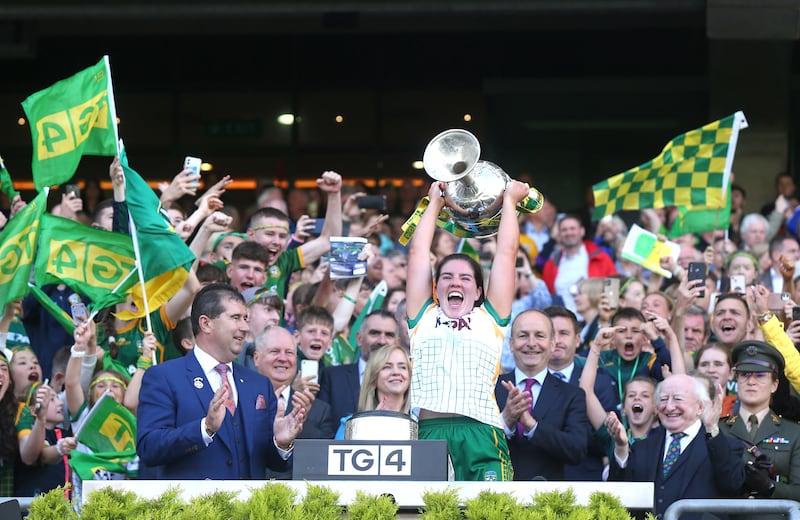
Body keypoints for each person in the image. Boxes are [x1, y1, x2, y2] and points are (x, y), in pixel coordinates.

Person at [406, 179, 530, 481]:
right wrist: (435, 202)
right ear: (437, 288)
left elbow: (506, 253)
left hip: (481, 430)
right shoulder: (422, 317)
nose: (455, 283)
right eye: (447, 277)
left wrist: (510, 202)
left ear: (478, 290)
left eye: (464, 278)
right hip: (428, 433)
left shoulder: (491, 318)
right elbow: (418, 254)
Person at [136, 283, 305, 479]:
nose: (244, 327)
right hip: (192, 507)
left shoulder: (258, 384)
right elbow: (149, 447)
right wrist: (204, 428)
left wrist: (281, 443)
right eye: (235, 318)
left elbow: (273, 463)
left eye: (245, 318)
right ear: (206, 323)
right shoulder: (164, 377)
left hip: (249, 508)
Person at [607, 373, 745, 519]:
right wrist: (621, 447)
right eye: (663, 399)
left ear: (699, 407)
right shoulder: (642, 448)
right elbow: (619, 495)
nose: (669, 406)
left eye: (678, 399)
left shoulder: (725, 446)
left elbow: (732, 485)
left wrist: (712, 427)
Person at [495, 309, 589, 481]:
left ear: (552, 344)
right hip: (498, 496)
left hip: (550, 500)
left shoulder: (572, 395)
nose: (531, 343)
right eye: (523, 335)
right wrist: (505, 422)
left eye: (539, 336)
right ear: (510, 344)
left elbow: (577, 450)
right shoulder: (491, 388)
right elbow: (475, 445)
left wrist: (531, 425)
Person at [720, 340, 800, 509]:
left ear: (774, 385)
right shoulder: (718, 430)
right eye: (745, 375)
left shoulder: (794, 433)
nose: (751, 382)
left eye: (760, 375)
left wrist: (770, 487)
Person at [317, 310, 399, 428]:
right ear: (359, 338)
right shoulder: (332, 377)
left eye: (389, 335)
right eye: (375, 333)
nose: (382, 341)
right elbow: (322, 428)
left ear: (397, 343)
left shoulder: (406, 381)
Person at [541, 214, 617, 319]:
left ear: (582, 231)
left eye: (572, 228)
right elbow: (547, 297)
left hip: (595, 321)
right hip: (562, 325)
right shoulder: (550, 265)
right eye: (564, 230)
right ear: (559, 235)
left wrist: (608, 317)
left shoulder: (600, 257)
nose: (569, 233)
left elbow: (613, 288)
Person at [334, 345, 412, 439]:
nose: (396, 372)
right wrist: (371, 425)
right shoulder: (350, 426)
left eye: (402, 367)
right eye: (387, 367)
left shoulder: (421, 425)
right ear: (373, 377)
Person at [695, 343, 737, 417]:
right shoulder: (686, 406)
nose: (711, 370)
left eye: (718, 364)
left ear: (731, 373)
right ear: (696, 371)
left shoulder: (739, 408)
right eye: (704, 364)